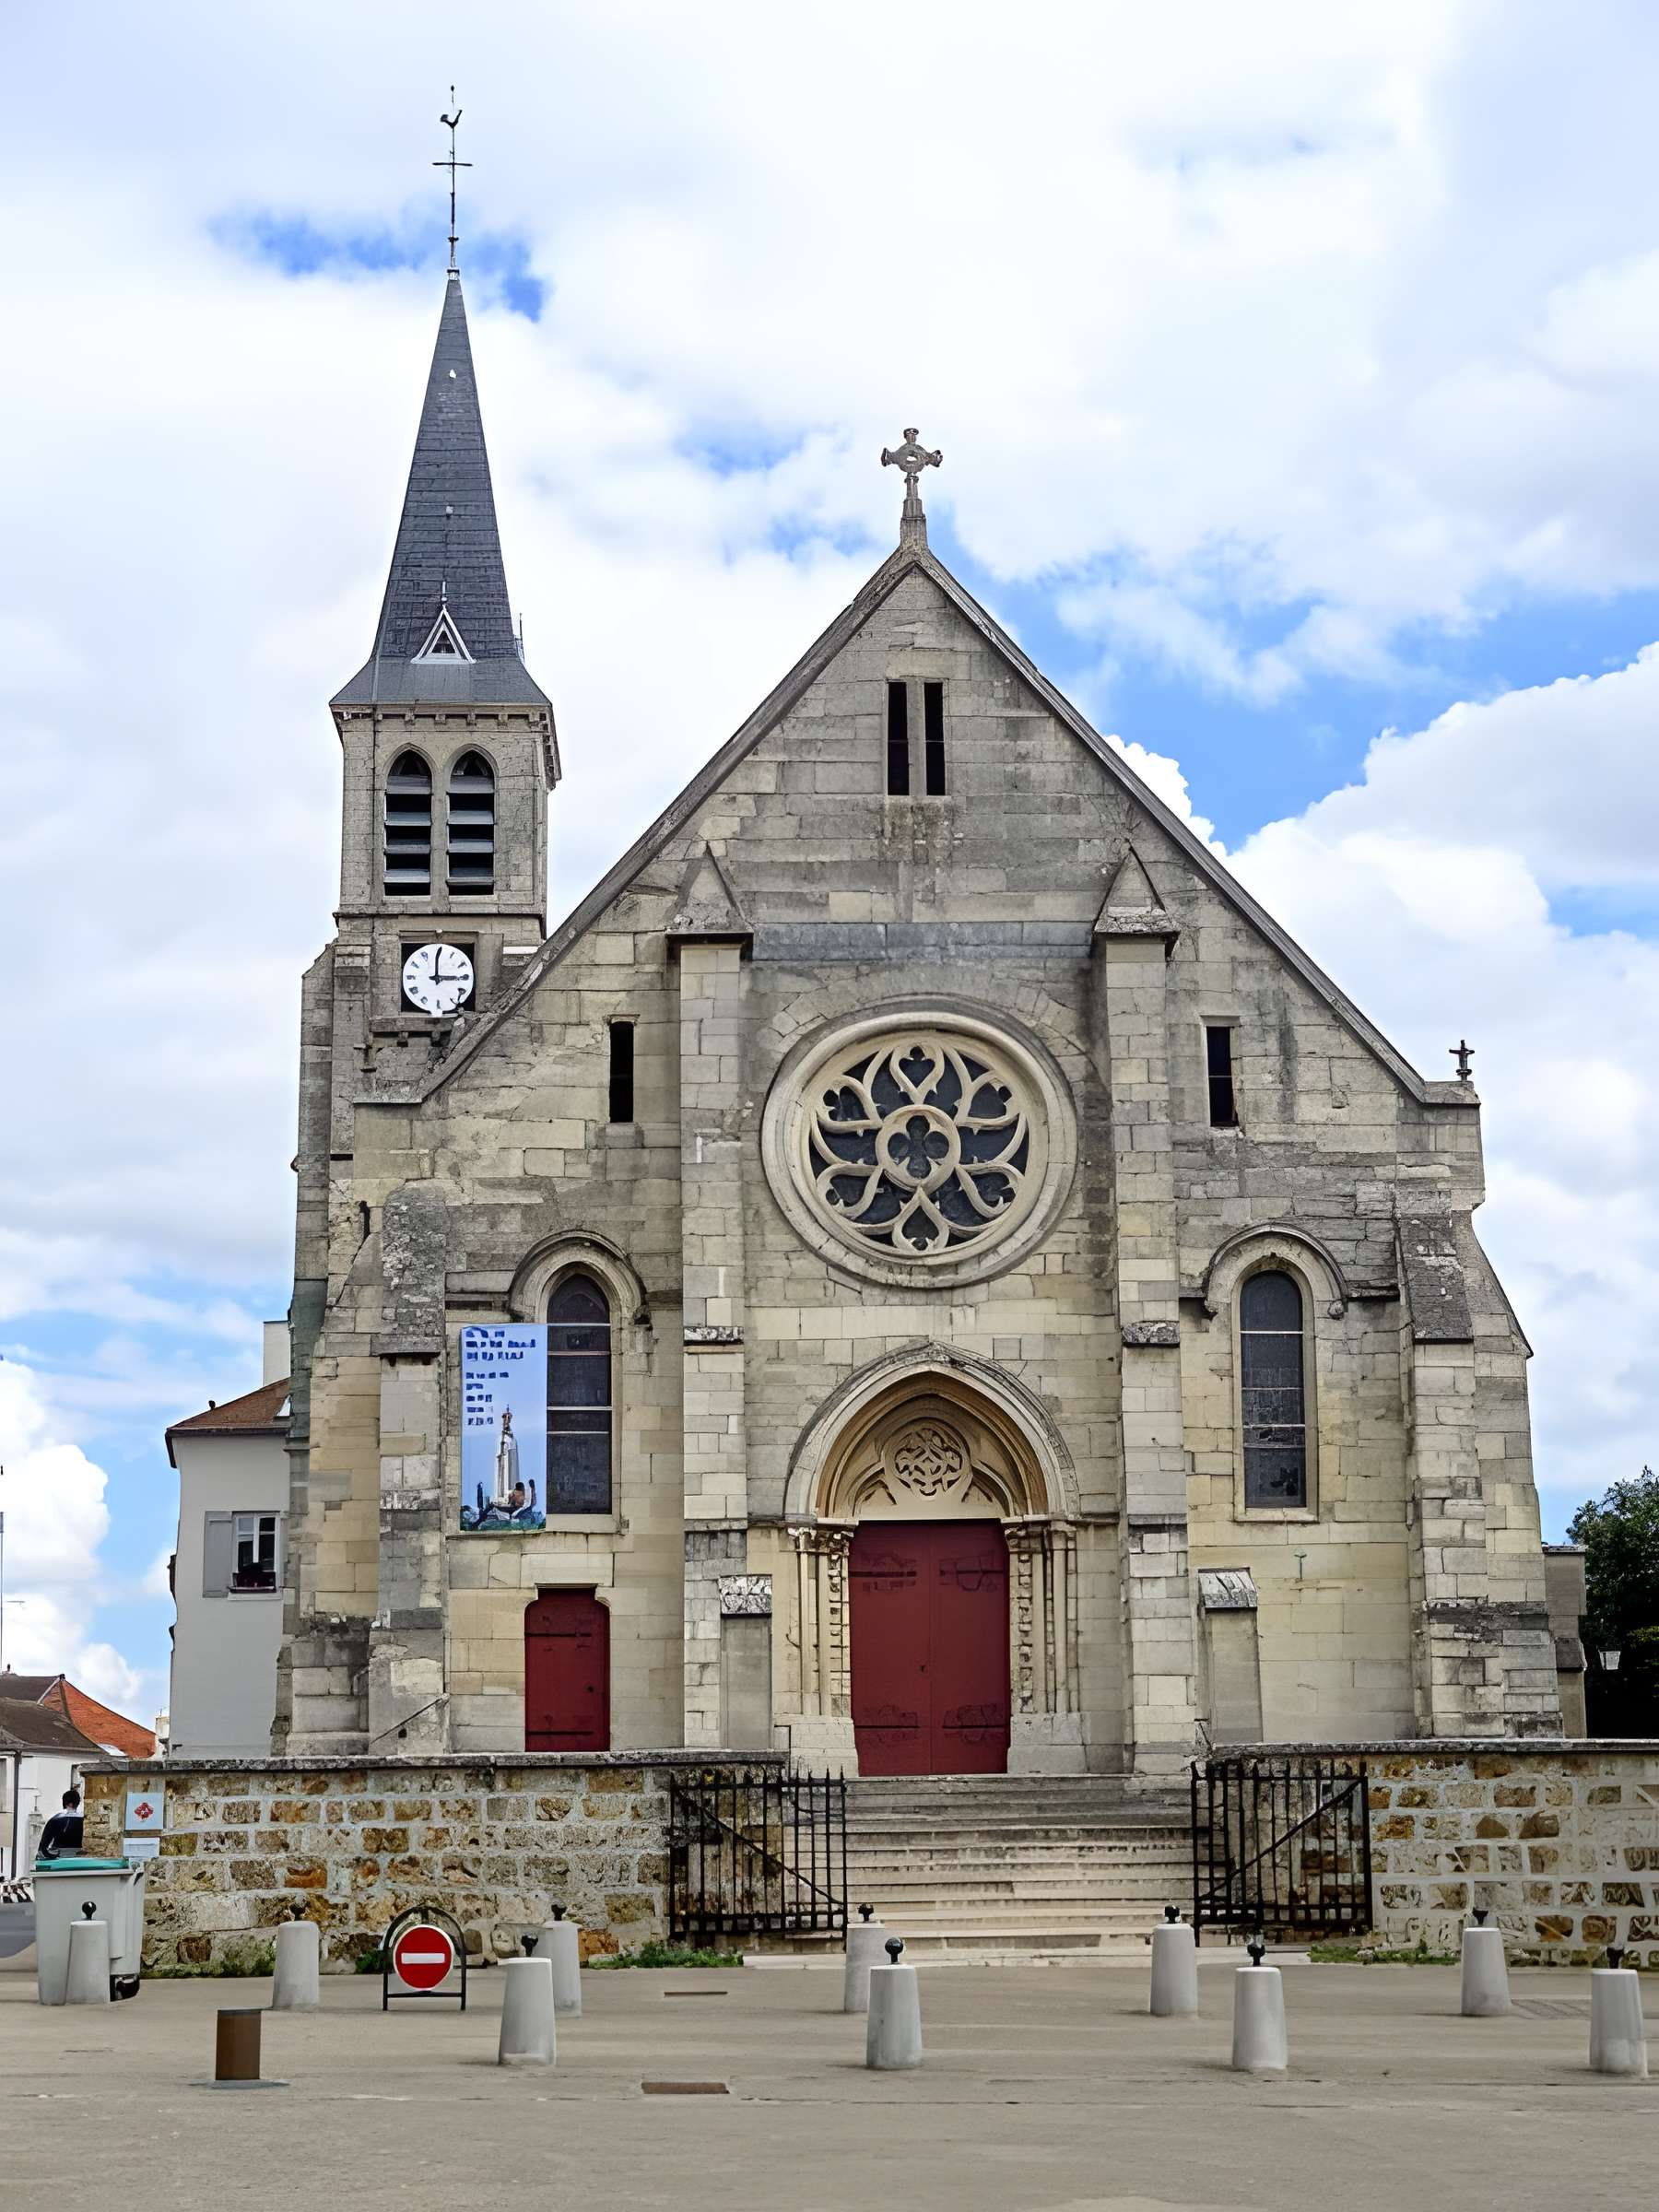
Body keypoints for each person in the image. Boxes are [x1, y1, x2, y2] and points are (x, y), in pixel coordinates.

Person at [37, 1787, 84, 1861]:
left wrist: (53, 1855)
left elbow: (42, 1849)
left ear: (64, 1802)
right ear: (78, 1802)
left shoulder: (55, 1819)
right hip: (82, 1858)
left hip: (59, 1858)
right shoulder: (84, 1820)